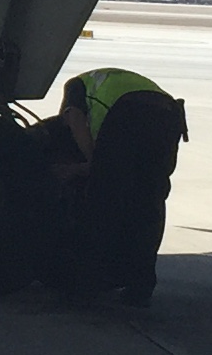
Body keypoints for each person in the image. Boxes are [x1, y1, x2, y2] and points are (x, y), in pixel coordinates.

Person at [35, 66, 187, 306]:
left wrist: (84, 166)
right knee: (148, 203)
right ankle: (141, 285)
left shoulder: (75, 86)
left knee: (104, 204)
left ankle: (87, 283)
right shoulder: (109, 81)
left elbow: (74, 118)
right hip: (169, 115)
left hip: (129, 113)